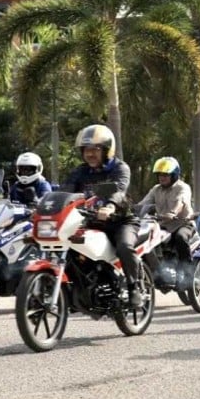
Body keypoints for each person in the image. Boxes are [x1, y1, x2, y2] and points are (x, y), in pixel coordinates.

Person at [63, 123, 143, 307]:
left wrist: (110, 206)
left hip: (121, 221)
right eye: (86, 150)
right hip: (91, 222)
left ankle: (134, 287)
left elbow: (120, 190)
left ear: (107, 150)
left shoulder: (120, 168)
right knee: (68, 246)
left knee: (124, 246)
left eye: (95, 149)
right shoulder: (80, 172)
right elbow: (65, 191)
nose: (90, 154)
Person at [138, 157, 194, 287]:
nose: (161, 178)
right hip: (163, 227)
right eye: (159, 175)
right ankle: (158, 272)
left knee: (181, 237)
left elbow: (181, 202)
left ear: (174, 175)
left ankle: (187, 272)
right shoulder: (156, 189)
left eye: (165, 174)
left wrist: (173, 213)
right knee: (148, 239)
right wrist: (132, 211)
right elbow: (143, 203)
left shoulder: (182, 187)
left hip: (182, 224)